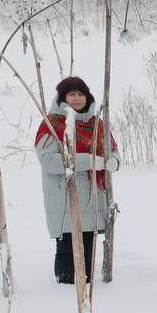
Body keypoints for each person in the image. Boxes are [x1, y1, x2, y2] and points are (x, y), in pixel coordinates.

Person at [35, 76, 121, 284]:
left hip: (93, 200)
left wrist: (112, 163)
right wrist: (90, 161)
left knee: (88, 260)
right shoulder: (53, 124)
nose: (76, 98)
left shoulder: (97, 124)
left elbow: (114, 151)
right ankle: (62, 301)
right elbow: (48, 160)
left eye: (80, 94)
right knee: (67, 260)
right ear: (63, 97)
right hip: (65, 199)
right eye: (71, 94)